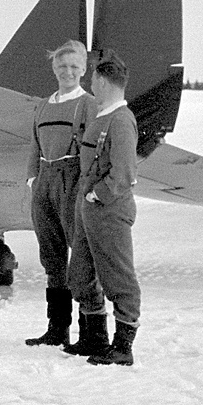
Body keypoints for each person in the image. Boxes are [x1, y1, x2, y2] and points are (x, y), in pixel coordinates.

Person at [66, 50, 142, 366]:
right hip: (89, 210)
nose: (91, 84)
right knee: (80, 275)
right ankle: (93, 338)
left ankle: (122, 347)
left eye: (93, 78)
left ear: (101, 80)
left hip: (108, 210)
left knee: (118, 278)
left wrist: (98, 195)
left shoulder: (121, 121)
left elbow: (124, 173)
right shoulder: (103, 116)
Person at [23, 39, 95, 347]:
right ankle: (57, 328)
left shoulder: (88, 104)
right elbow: (35, 143)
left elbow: (93, 149)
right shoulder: (43, 105)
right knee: (51, 256)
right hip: (45, 181)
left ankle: (90, 330)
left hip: (73, 179)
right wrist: (31, 177)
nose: (68, 72)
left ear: (83, 70)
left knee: (79, 254)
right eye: (62, 66)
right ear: (54, 68)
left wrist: (84, 186)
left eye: (74, 67)